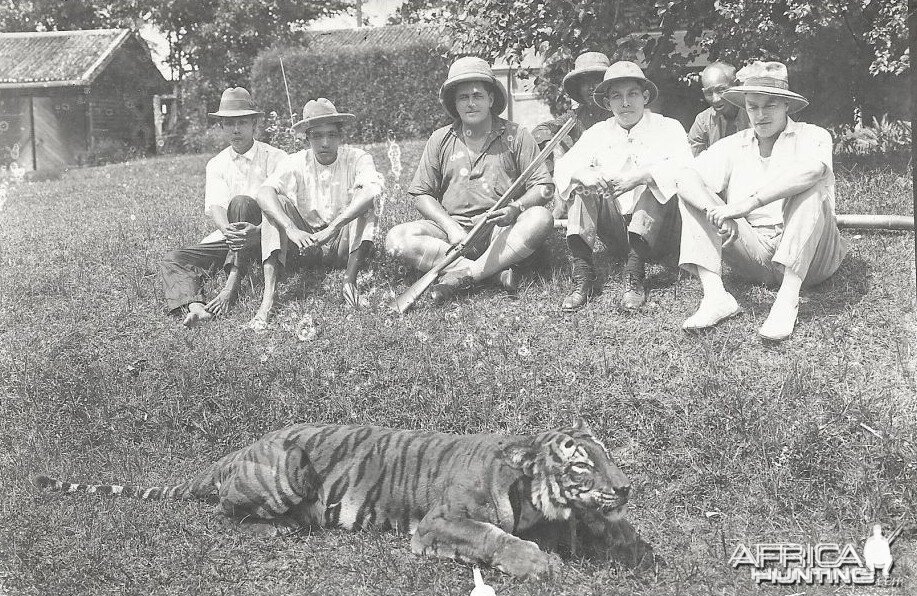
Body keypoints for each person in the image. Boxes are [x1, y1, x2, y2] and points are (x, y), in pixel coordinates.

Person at [675, 61, 847, 340]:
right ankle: (716, 296)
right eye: (753, 106)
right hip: (755, 253)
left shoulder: (812, 135)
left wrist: (748, 204)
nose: (760, 114)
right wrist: (715, 210)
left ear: (786, 106)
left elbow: (813, 171)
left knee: (810, 189)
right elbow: (684, 177)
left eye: (770, 105)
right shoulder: (735, 144)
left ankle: (787, 299)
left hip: (813, 259)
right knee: (693, 194)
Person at [385, 56, 554, 304]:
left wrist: (515, 209)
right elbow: (421, 194)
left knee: (541, 218)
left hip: (501, 231)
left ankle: (465, 275)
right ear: (454, 102)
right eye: (463, 97)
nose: (471, 103)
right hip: (453, 236)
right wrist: (451, 228)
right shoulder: (440, 139)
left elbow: (543, 186)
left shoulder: (517, 135)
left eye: (477, 95)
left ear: (491, 99)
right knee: (396, 239)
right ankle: (493, 273)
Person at [553, 61, 692, 312]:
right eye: (616, 96)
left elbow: (687, 169)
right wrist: (584, 174)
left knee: (653, 181)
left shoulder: (668, 128)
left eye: (633, 94)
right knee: (582, 187)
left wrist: (641, 177)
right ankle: (583, 275)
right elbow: (564, 168)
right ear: (607, 103)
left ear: (645, 96)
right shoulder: (598, 132)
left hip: (662, 231)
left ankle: (634, 274)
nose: (625, 103)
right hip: (617, 230)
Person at [159, 87, 286, 327]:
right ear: (221, 127)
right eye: (229, 124)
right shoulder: (216, 163)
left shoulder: (275, 157)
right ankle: (196, 307)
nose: (236, 130)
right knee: (173, 259)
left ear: (254, 124)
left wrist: (257, 231)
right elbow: (216, 206)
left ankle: (232, 285)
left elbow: (284, 208)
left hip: (266, 236)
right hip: (233, 238)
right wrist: (227, 230)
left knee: (242, 202)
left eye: (242, 122)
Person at [252, 98, 383, 328]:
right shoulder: (295, 162)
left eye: (332, 135)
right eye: (317, 136)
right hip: (304, 243)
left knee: (366, 203)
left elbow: (372, 191)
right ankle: (268, 298)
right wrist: (291, 229)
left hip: (340, 242)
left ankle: (349, 281)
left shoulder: (358, 157)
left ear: (340, 136)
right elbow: (263, 193)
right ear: (307, 137)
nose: (324, 143)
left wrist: (333, 228)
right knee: (274, 206)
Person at [531, 52, 611, 218]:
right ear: (578, 89)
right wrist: (553, 145)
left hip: (611, 178)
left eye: (596, 81)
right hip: (583, 178)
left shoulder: (618, 112)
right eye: (585, 83)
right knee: (555, 146)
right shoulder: (575, 116)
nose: (591, 87)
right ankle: (560, 205)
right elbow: (541, 130)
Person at [687, 62, 750, 156]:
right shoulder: (703, 121)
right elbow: (695, 162)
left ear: (737, 85)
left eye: (721, 90)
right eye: (709, 93)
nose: (715, 99)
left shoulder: (754, 114)